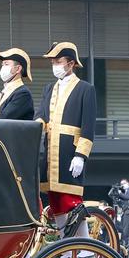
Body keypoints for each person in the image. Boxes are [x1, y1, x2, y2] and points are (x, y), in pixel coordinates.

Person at [35, 41, 97, 238]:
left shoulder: (85, 89)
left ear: (71, 63)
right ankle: (65, 242)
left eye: (58, 61)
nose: (55, 65)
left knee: (71, 200)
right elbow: (41, 116)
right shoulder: (49, 88)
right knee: (56, 201)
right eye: (53, 62)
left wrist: (80, 155)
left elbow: (88, 126)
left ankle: (85, 245)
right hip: (51, 152)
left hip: (70, 152)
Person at [0, 48, 34, 120]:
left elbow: (4, 119)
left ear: (18, 69)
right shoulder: (4, 92)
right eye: (2, 64)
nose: (3, 67)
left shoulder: (23, 94)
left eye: (6, 64)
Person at [115, 179, 129, 244]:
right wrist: (119, 200)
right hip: (126, 212)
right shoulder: (126, 192)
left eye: (123, 183)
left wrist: (120, 193)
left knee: (126, 230)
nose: (122, 185)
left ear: (127, 183)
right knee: (124, 229)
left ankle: (127, 244)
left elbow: (127, 197)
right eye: (121, 184)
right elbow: (125, 203)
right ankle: (125, 243)